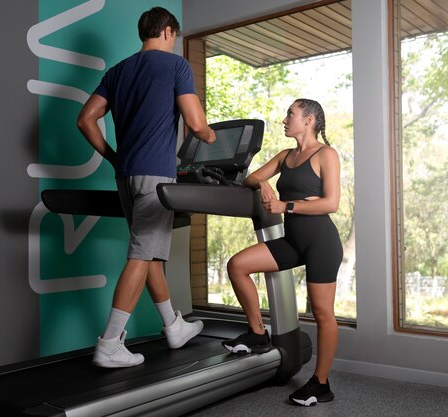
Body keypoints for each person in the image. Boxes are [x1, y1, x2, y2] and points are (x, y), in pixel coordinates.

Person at [76, 6, 216, 368]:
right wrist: (210, 134)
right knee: (142, 254)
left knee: (149, 249)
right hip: (155, 174)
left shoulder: (118, 71)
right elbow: (196, 122)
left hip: (125, 174)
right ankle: (109, 343)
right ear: (168, 31)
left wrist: (113, 156)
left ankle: (173, 325)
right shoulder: (176, 66)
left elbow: (85, 119)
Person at [222, 99, 343, 405]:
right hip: (292, 241)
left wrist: (286, 205)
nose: (284, 119)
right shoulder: (286, 156)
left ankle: (321, 383)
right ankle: (257, 332)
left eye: (291, 114)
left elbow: (331, 203)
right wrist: (262, 185)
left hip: (320, 241)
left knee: (322, 312)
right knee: (238, 265)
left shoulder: (325, 155)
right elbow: (251, 177)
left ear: (309, 120)